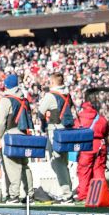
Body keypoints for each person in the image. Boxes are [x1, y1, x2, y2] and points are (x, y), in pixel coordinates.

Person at [38, 72, 77, 204]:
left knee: (57, 162)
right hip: (67, 131)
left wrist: (43, 126)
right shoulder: (68, 95)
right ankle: (68, 192)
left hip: (55, 131)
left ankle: (67, 194)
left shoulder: (50, 96)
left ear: (53, 82)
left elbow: (40, 112)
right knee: (63, 162)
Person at [0, 74, 33, 204]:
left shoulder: (6, 100)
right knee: (24, 165)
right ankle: (29, 195)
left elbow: (1, 122)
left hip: (11, 134)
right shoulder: (24, 99)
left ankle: (14, 195)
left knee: (13, 166)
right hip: (24, 134)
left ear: (6, 85)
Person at [74, 90, 109, 202]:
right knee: (99, 170)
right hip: (100, 145)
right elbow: (106, 132)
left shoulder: (80, 118)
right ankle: (98, 196)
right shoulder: (101, 118)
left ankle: (84, 196)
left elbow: (75, 131)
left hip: (86, 146)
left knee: (84, 171)